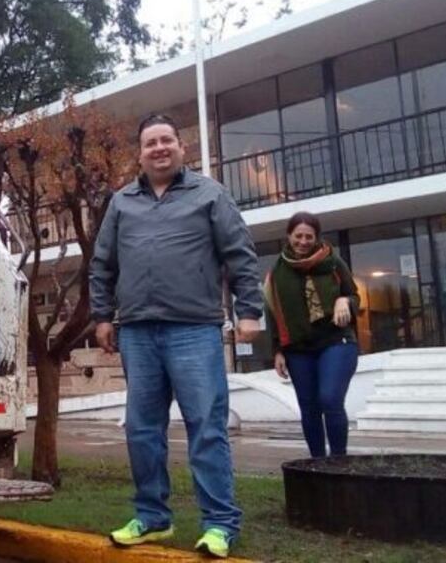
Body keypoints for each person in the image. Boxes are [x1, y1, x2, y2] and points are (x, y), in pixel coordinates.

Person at [89, 113, 262, 559]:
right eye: (151, 143)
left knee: (206, 428)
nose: (159, 148)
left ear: (182, 148)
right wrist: (102, 316)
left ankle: (220, 524)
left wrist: (249, 310)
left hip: (194, 330)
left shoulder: (210, 194)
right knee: (142, 431)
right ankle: (152, 518)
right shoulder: (122, 202)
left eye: (166, 140)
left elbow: (240, 253)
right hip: (137, 333)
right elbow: (103, 264)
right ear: (140, 154)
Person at [264, 212, 360, 458]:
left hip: (336, 341)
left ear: (317, 237)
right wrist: (278, 351)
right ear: (289, 236)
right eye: (298, 236)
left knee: (330, 399)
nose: (303, 241)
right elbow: (274, 312)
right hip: (298, 348)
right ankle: (317, 464)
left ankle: (338, 462)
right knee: (309, 408)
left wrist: (344, 301)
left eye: (309, 237)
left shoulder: (333, 262)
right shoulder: (277, 272)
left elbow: (354, 295)